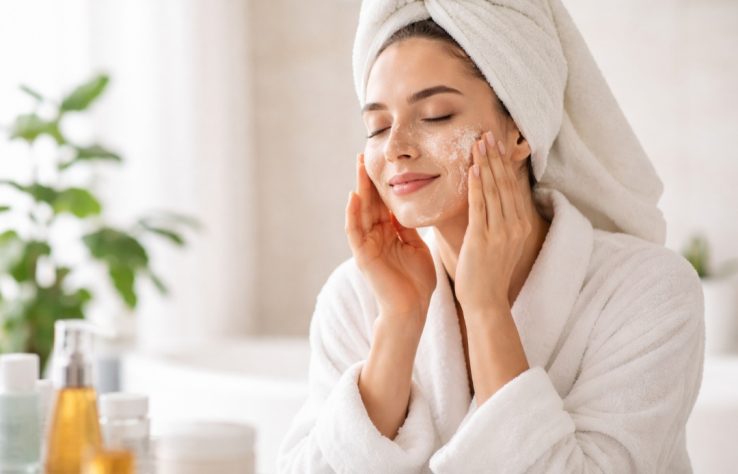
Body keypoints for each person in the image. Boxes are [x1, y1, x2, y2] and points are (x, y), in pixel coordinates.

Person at [277, 2, 704, 473]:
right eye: (377, 127)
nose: (395, 147)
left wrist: (486, 309)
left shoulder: (646, 290)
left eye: (435, 115)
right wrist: (399, 320)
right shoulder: (356, 297)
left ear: (521, 129)